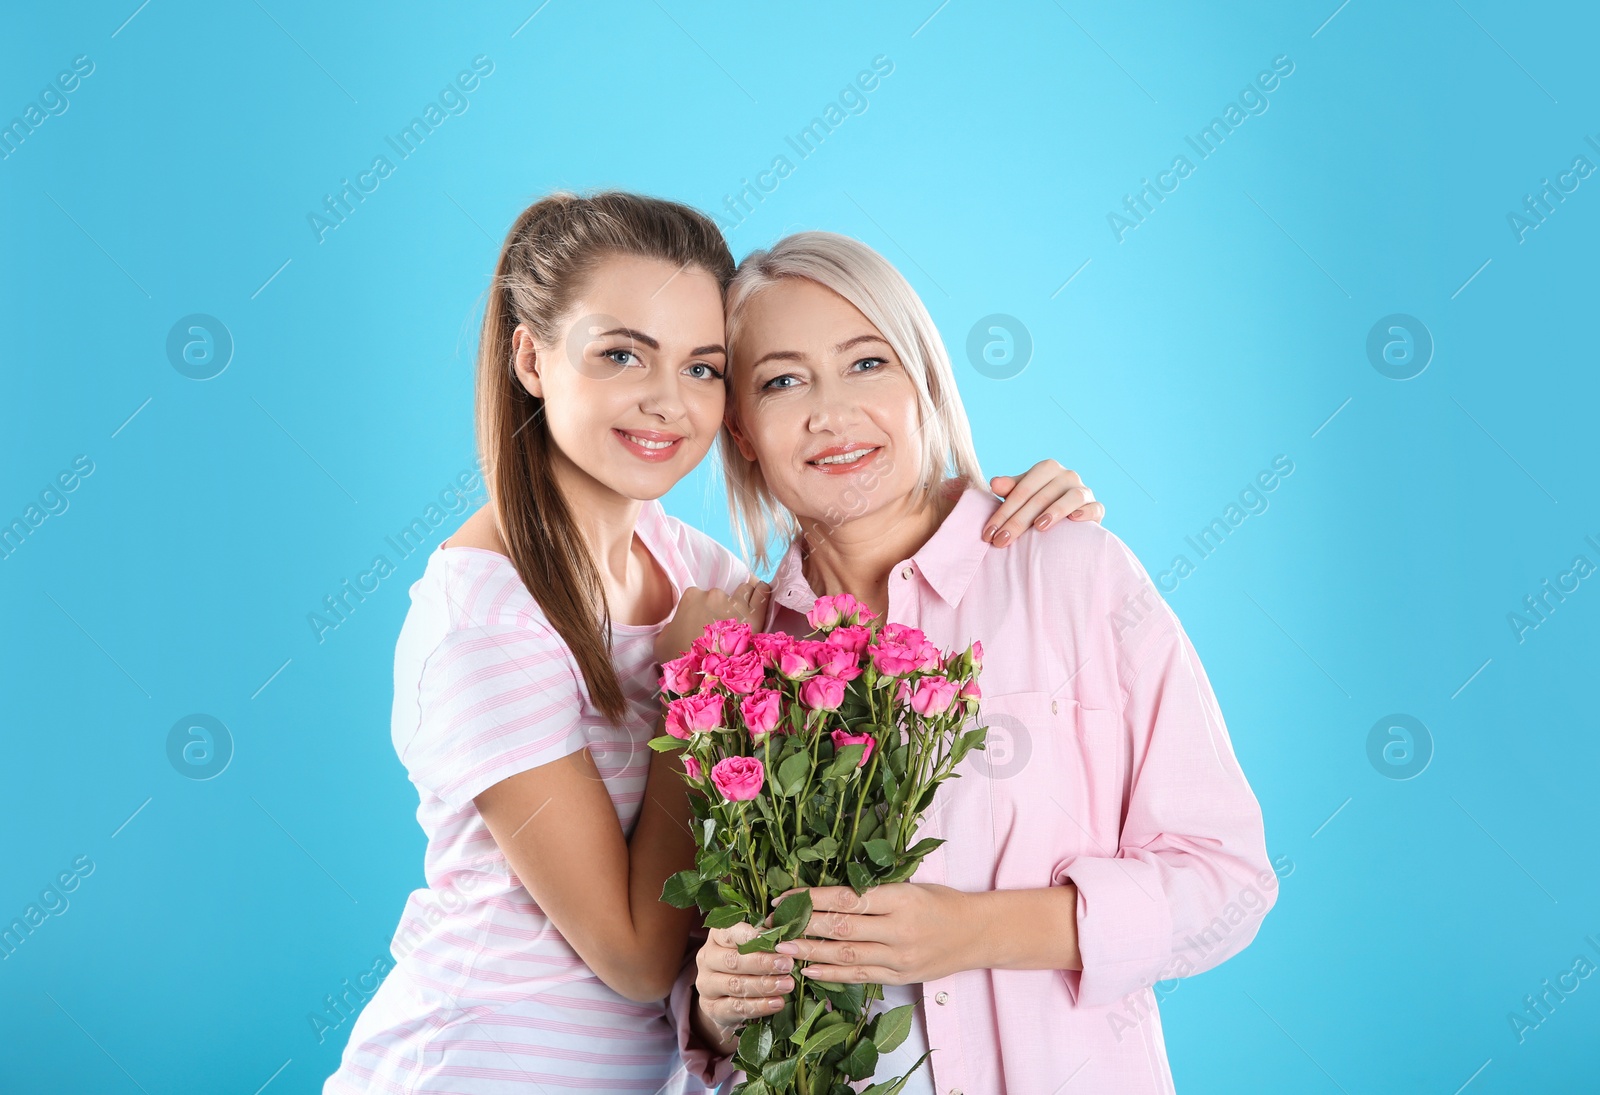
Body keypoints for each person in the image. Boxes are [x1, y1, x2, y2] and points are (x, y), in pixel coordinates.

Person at [322, 192, 1104, 1094]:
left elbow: (870, 590)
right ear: (531, 357)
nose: (667, 402)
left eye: (702, 367)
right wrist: (684, 684)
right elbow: (637, 956)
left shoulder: (688, 560)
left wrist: (1025, 519)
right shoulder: (486, 620)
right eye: (621, 354)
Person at [678, 232, 1276, 1094]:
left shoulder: (1072, 571)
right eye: (782, 380)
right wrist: (716, 1002)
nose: (832, 413)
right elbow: (707, 1003)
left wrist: (975, 931)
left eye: (867, 363)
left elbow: (1227, 885)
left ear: (923, 376)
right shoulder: (738, 662)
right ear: (740, 428)